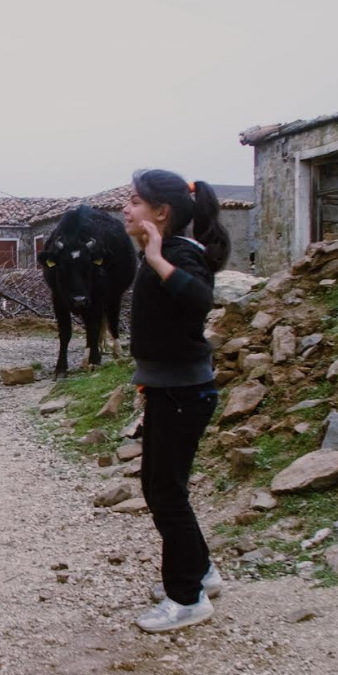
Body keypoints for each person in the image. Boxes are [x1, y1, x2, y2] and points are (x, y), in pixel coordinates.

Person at [122, 169, 230, 633]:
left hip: (185, 393)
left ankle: (187, 598)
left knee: (166, 494)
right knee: (160, 489)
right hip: (171, 389)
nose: (125, 208)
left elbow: (199, 299)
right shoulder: (164, 251)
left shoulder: (181, 253)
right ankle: (201, 572)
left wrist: (156, 257)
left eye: (134, 201)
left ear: (160, 213)